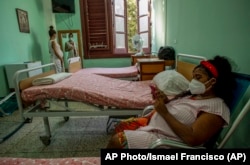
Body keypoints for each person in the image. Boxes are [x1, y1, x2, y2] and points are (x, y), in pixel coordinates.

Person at [106, 55, 236, 148]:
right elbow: (181, 112)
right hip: (152, 129)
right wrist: (166, 102)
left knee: (117, 141)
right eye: (193, 76)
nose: (193, 81)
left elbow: (193, 139)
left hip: (164, 142)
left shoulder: (216, 107)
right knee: (120, 127)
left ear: (213, 82)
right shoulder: (194, 95)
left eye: (198, 77)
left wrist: (165, 113)